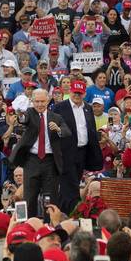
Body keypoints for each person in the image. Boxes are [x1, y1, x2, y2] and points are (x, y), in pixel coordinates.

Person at [9, 89, 70, 217]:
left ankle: (51, 226)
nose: (40, 104)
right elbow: (23, 119)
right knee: (28, 197)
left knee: (50, 198)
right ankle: (25, 225)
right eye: (37, 101)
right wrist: (20, 114)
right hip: (31, 160)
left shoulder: (56, 117)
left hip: (50, 162)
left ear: (48, 101)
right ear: (32, 102)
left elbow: (67, 131)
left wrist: (58, 129)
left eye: (42, 101)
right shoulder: (30, 113)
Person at [53, 81, 103, 213]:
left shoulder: (87, 107)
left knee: (75, 183)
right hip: (66, 152)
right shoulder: (59, 108)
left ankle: (70, 212)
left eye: (80, 93)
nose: (77, 96)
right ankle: (70, 212)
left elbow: (90, 129)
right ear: (70, 91)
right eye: (75, 92)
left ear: (84, 94)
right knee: (69, 185)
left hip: (82, 151)